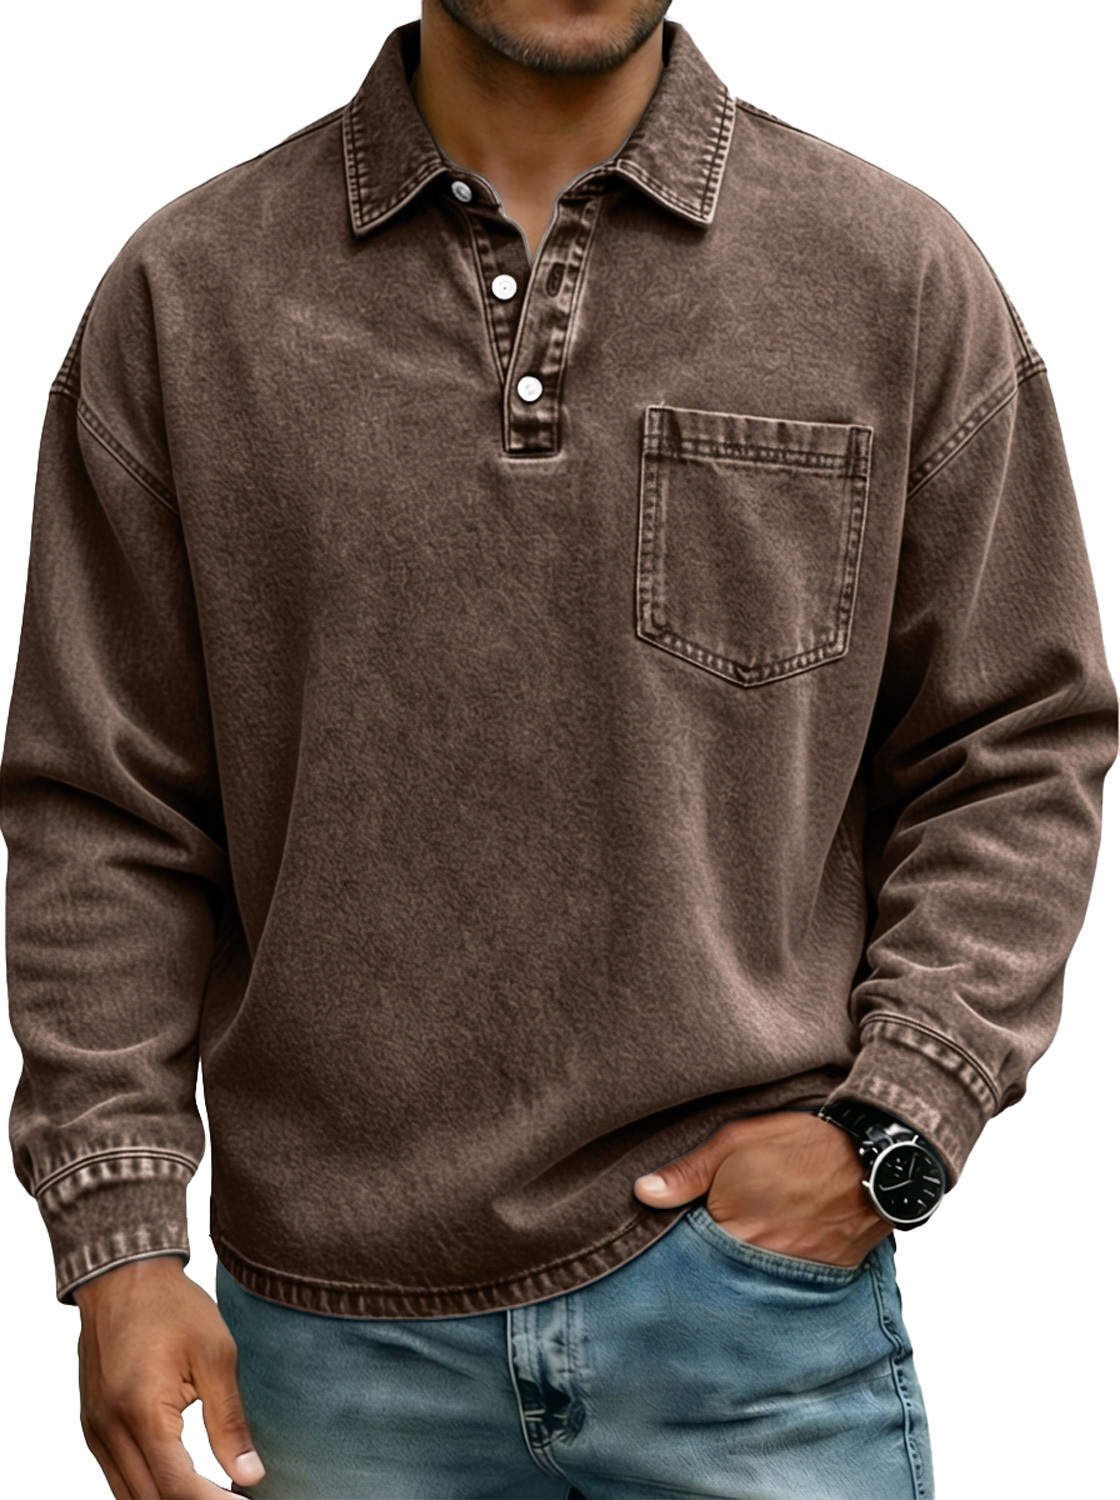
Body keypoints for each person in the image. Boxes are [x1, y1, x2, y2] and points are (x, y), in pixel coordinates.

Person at [2, 1, 1116, 1496]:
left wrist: (896, 1124)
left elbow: (1016, 739)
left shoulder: (891, 276)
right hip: (331, 1347)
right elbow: (103, 808)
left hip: (750, 1330)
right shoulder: (188, 296)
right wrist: (121, 1237)